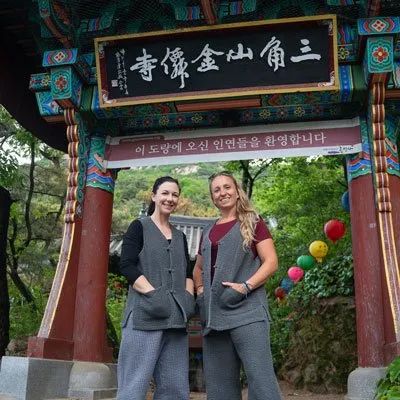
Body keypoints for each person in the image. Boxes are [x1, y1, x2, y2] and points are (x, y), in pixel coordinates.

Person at [193, 171, 282, 400]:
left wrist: (244, 286)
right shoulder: (207, 231)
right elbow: (198, 268)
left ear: (236, 190)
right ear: (212, 197)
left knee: (260, 380)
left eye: (227, 187)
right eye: (217, 190)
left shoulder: (253, 221)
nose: (223, 193)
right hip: (214, 318)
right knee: (220, 385)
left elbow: (271, 262)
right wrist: (201, 292)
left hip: (248, 313)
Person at [117, 176, 195, 400]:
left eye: (175, 195)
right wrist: (154, 295)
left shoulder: (181, 236)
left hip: (176, 321)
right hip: (144, 316)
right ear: (154, 196)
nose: (170, 198)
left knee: (175, 387)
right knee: (134, 384)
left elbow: (188, 273)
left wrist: (188, 300)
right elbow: (127, 265)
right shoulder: (139, 227)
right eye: (165, 193)